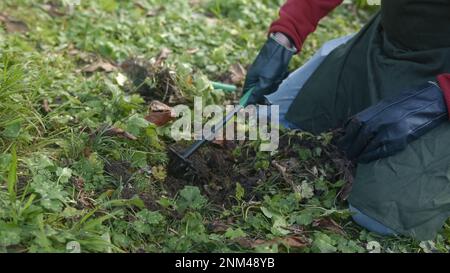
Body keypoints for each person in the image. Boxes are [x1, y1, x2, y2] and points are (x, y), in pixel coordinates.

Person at [244, 0, 450, 240]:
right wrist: (284, 37)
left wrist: (434, 101)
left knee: (378, 216)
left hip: (441, 83)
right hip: (387, 44)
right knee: (269, 123)